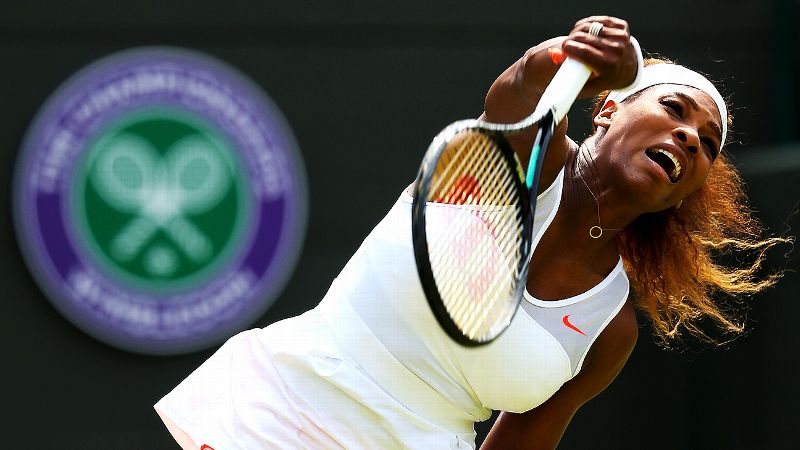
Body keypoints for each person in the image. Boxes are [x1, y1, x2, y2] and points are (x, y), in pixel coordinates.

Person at [155, 16, 786, 450]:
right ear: (608, 109)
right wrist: (576, 58)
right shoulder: (520, 155)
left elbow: (522, 444)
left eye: (707, 144)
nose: (689, 137)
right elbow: (519, 91)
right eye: (673, 110)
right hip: (276, 417)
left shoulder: (612, 327)